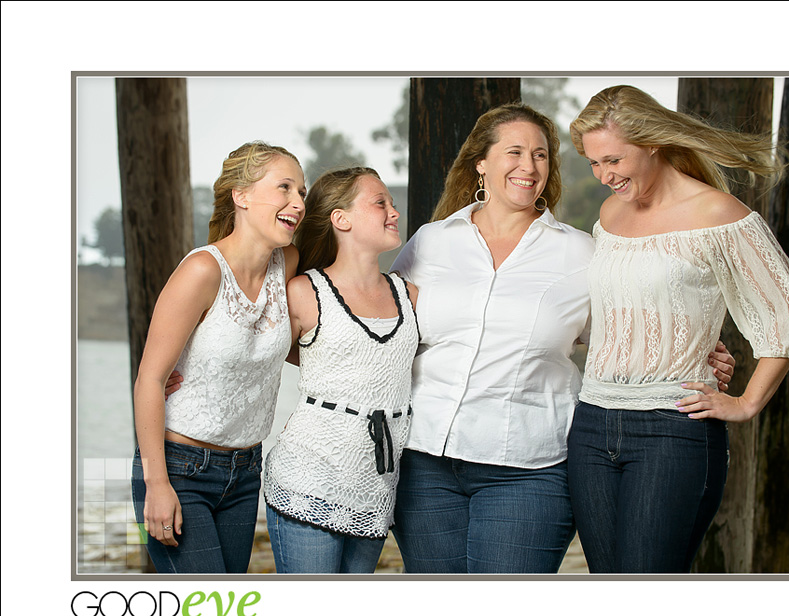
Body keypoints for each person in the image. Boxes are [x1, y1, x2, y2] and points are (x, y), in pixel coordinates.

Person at [389, 102, 737, 574]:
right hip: (423, 463)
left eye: (540, 155)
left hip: (528, 468)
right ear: (481, 163)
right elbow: (384, 330)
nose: (528, 166)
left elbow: (630, 328)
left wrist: (696, 350)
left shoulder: (581, 253)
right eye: (514, 151)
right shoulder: (431, 241)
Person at [565, 85, 789, 573]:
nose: (604, 176)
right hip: (592, 424)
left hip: (672, 430)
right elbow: (624, 308)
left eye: (613, 160)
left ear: (653, 142)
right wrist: (694, 333)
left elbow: (788, 315)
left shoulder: (717, 214)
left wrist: (745, 404)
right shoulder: (610, 215)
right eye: (595, 164)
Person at [131, 141, 305, 573]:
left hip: (246, 472)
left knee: (223, 615)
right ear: (241, 196)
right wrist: (156, 484)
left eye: (301, 192)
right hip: (179, 469)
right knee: (207, 615)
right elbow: (149, 381)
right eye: (284, 188)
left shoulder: (289, 262)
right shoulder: (202, 271)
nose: (298, 203)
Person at [263, 167, 419, 574]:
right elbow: (252, 353)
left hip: (377, 484)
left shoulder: (409, 293)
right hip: (307, 477)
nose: (393, 212)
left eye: (391, 203)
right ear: (341, 219)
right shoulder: (303, 292)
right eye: (380, 202)